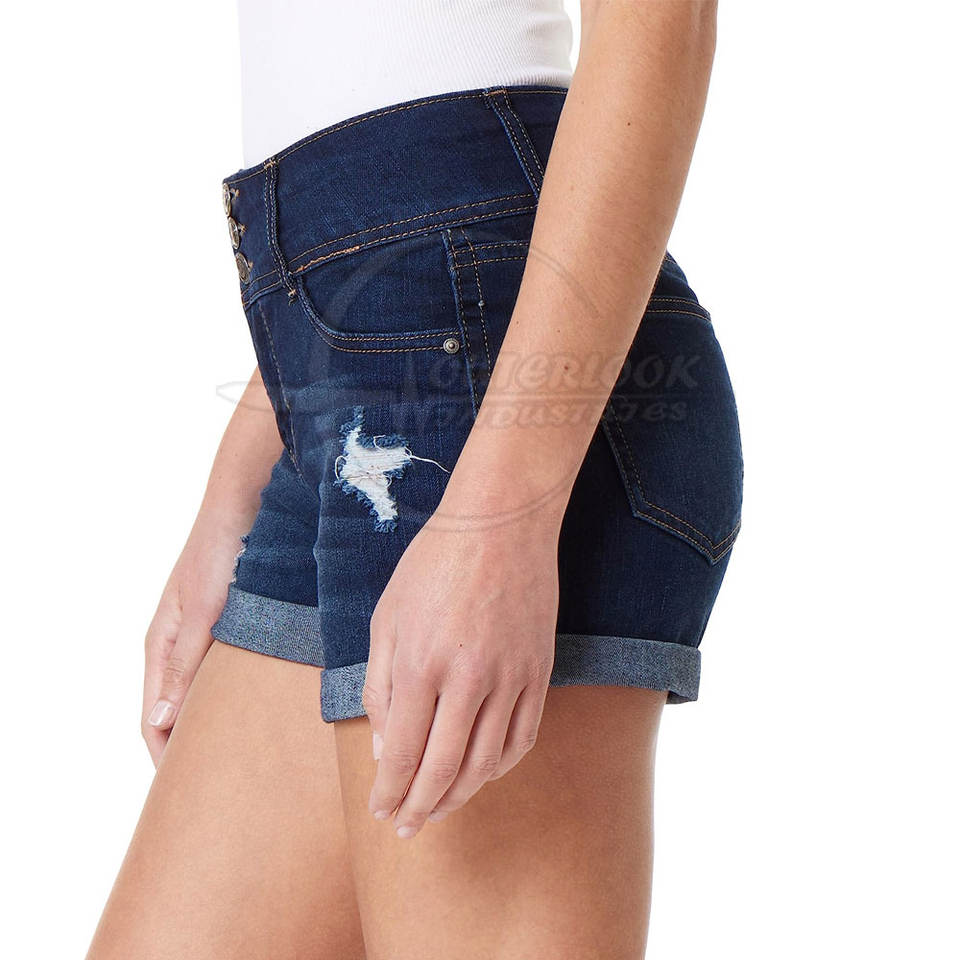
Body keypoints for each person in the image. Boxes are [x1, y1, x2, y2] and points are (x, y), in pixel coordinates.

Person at [87, 2, 742, 957]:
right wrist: (236, 493)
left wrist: (503, 515)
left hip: (500, 381)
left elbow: (662, 21)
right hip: (347, 379)